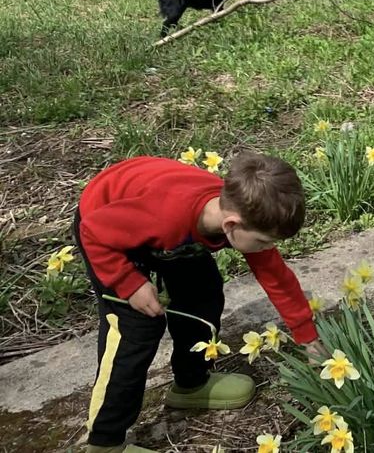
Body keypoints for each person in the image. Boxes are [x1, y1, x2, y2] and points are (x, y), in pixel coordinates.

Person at [74, 153, 323, 453]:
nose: (267, 249)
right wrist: (129, 283)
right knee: (136, 328)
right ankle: (105, 442)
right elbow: (93, 230)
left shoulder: (241, 214)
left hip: (160, 228)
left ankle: (191, 383)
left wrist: (309, 339)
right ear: (231, 225)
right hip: (107, 229)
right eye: (263, 242)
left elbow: (277, 278)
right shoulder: (166, 216)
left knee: (203, 294)